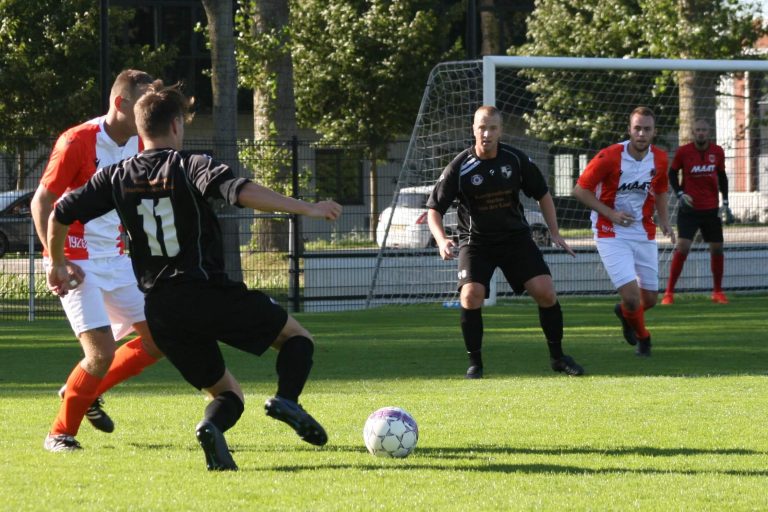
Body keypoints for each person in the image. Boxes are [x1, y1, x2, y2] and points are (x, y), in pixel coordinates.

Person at [46, 81, 342, 471]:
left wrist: (56, 261)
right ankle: (287, 398)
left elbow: (59, 212)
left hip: (161, 311)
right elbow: (240, 190)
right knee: (297, 339)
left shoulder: (115, 175)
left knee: (227, 393)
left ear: (140, 129)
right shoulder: (189, 165)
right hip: (206, 292)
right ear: (175, 126)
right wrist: (307, 208)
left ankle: (211, 427)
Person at [32, 69, 164, 452]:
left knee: (160, 338)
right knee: (101, 353)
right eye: (144, 102)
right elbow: (42, 201)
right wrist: (55, 259)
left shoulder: (142, 141)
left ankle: (85, 389)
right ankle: (59, 434)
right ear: (121, 103)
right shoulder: (77, 140)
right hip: (75, 259)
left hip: (117, 257)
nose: (151, 110)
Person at [426, 105, 584, 379]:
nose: (486, 134)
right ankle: (475, 364)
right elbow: (434, 210)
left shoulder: (515, 159)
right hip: (476, 242)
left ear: (500, 131)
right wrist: (441, 240)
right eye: (481, 128)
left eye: (492, 128)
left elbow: (543, 193)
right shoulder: (460, 166)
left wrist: (555, 232)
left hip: (515, 239)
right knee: (470, 295)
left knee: (546, 292)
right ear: (473, 129)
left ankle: (558, 358)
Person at [572, 106, 675, 357]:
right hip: (610, 231)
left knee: (649, 299)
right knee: (632, 297)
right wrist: (610, 214)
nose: (641, 134)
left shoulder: (660, 159)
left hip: (643, 231)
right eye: (637, 128)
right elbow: (580, 190)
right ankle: (644, 338)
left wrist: (664, 220)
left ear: (654, 132)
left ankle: (624, 312)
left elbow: (661, 190)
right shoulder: (609, 156)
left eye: (647, 129)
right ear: (629, 129)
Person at [662, 119, 732, 305]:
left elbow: (722, 176)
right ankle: (669, 293)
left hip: (711, 209)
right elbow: (672, 173)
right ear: (693, 133)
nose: (701, 133)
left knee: (717, 248)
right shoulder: (683, 152)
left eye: (704, 130)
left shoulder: (718, 152)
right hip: (689, 209)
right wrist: (680, 194)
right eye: (698, 130)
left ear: (709, 132)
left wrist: (725, 202)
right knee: (683, 246)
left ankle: (718, 292)